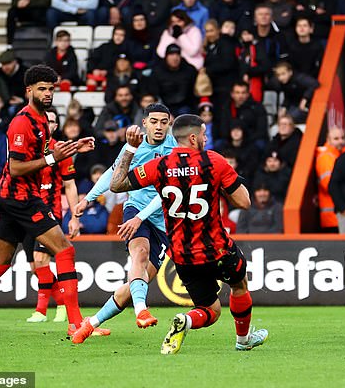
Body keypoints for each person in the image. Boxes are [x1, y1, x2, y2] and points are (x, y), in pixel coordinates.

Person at [0, 65, 96, 336]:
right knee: (65, 250)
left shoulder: (41, 121)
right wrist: (53, 159)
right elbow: (16, 167)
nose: (48, 93)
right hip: (21, 198)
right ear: (29, 91)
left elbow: (44, 151)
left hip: (9, 198)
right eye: (42, 88)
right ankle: (77, 325)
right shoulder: (22, 122)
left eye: (51, 88)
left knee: (1, 261)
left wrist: (73, 147)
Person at [109, 114, 269, 354]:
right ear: (193, 138)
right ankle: (243, 339)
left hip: (183, 256)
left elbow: (116, 185)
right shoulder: (214, 161)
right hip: (216, 249)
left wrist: (130, 148)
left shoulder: (159, 165)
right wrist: (227, 180)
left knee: (210, 310)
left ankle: (187, 319)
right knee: (239, 285)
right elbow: (244, 202)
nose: (206, 139)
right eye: (204, 134)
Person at [71, 103, 177, 343]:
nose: (159, 126)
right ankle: (142, 311)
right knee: (139, 253)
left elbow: (166, 195)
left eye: (163, 121)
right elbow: (112, 172)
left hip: (164, 221)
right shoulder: (134, 146)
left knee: (134, 286)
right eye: (154, 121)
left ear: (169, 123)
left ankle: (92, 322)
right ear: (145, 123)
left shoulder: (175, 151)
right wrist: (87, 199)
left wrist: (142, 217)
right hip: (136, 208)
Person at [23, 107, 84, 327]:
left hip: (49, 213)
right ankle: (60, 303)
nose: (48, 124)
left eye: (52, 121)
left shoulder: (61, 150)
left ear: (56, 126)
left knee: (41, 260)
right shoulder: (27, 148)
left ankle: (41, 310)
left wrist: (74, 215)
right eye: (44, 120)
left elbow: (70, 184)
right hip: (25, 213)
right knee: (35, 266)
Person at [315, 127, 345, 232]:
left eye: (342, 138)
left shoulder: (342, 155)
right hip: (332, 217)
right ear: (328, 140)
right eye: (336, 138)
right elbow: (329, 185)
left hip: (342, 214)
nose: (340, 141)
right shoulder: (325, 158)